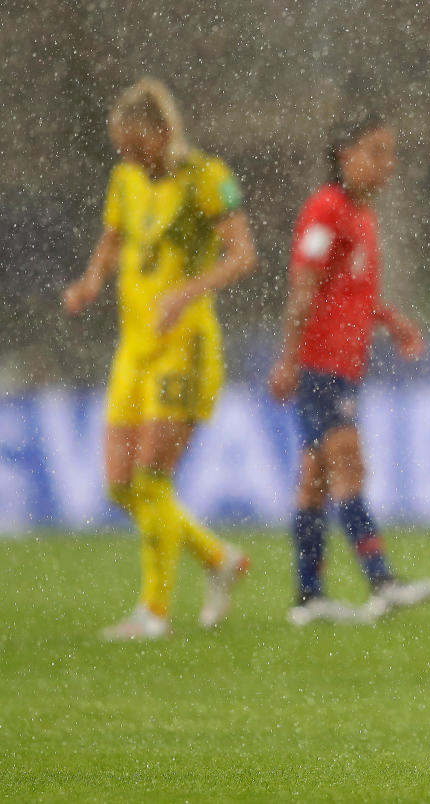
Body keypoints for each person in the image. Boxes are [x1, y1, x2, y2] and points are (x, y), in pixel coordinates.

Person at [63, 77, 257, 640]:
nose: (130, 157)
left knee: (151, 478)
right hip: (135, 348)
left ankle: (154, 611)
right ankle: (219, 559)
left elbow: (244, 256)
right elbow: (112, 239)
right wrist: (90, 281)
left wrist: (184, 293)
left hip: (186, 346)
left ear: (164, 132)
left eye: (137, 145)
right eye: (122, 147)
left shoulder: (207, 178)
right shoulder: (124, 180)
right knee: (119, 485)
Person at [268, 111, 430, 626]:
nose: (387, 165)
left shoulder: (360, 215)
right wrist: (289, 358)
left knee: (315, 480)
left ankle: (309, 596)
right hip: (321, 362)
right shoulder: (326, 210)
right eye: (376, 152)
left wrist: (392, 320)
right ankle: (381, 581)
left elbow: (351, 292)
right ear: (346, 156)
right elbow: (305, 287)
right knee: (347, 465)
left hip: (343, 362)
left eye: (391, 153)